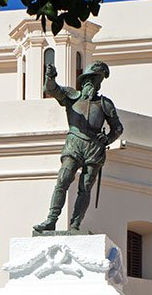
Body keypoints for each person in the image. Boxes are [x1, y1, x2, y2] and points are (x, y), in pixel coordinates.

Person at [31, 60, 124, 234]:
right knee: (63, 180)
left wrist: (107, 138)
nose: (92, 83)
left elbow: (118, 128)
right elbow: (52, 90)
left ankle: (75, 224)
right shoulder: (71, 96)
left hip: (94, 149)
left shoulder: (105, 104)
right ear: (84, 80)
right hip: (74, 143)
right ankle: (51, 220)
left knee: (86, 187)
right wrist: (50, 77)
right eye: (90, 79)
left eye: (96, 80)